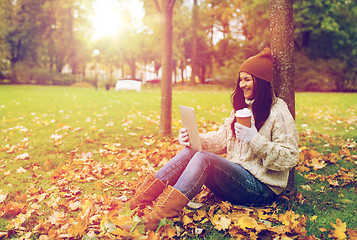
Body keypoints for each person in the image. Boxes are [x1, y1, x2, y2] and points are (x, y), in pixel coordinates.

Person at [124, 48, 299, 232]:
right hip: (236, 179)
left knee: (204, 159)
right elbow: (221, 139)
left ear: (261, 82)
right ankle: (135, 203)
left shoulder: (278, 112)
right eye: (240, 79)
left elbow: (290, 157)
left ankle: (155, 220)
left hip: (261, 188)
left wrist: (254, 139)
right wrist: (193, 139)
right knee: (192, 151)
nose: (242, 84)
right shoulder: (242, 109)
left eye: (247, 79)